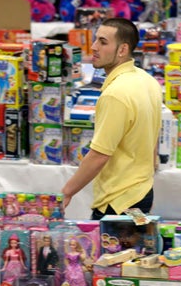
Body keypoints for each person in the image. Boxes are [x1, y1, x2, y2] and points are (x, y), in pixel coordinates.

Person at [61, 18, 162, 219]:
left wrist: (67, 192)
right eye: (96, 40)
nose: (94, 47)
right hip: (142, 192)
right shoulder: (147, 80)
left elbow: (99, 155)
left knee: (113, 251)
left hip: (117, 201)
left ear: (122, 50)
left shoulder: (115, 94)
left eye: (103, 42)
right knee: (134, 251)